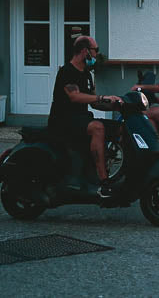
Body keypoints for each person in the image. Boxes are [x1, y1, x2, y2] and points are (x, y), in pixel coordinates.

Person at [47, 35, 121, 198]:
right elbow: (75, 96)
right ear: (85, 51)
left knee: (119, 128)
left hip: (81, 119)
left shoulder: (87, 74)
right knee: (97, 127)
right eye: (96, 50)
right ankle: (103, 183)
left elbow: (94, 103)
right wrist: (102, 97)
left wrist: (117, 103)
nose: (96, 55)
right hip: (63, 121)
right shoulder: (67, 71)